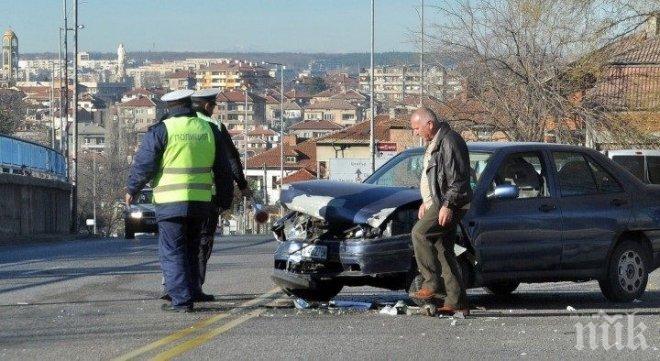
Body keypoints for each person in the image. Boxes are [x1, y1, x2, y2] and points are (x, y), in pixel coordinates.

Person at [125, 89, 232, 312]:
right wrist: (223, 198)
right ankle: (192, 290)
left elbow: (145, 164)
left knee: (173, 251)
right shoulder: (209, 129)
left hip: (170, 201)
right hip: (201, 201)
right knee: (193, 249)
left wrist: (132, 189)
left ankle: (182, 300)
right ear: (190, 105)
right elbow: (223, 169)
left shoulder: (162, 130)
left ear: (169, 108)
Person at [408, 107, 472, 316]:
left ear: (430, 124)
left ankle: (431, 283)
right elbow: (432, 178)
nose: (415, 133)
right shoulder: (435, 142)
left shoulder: (449, 141)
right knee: (443, 249)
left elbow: (458, 180)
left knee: (419, 233)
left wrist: (448, 205)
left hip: (448, 201)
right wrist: (426, 202)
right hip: (438, 201)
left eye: (417, 128)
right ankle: (457, 302)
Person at [190, 88, 252, 294]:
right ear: (207, 106)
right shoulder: (214, 126)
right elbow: (231, 160)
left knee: (177, 241)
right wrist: (242, 186)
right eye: (214, 105)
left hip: (170, 197)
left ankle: (172, 283)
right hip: (206, 195)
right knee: (202, 241)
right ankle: (195, 287)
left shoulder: (170, 124)